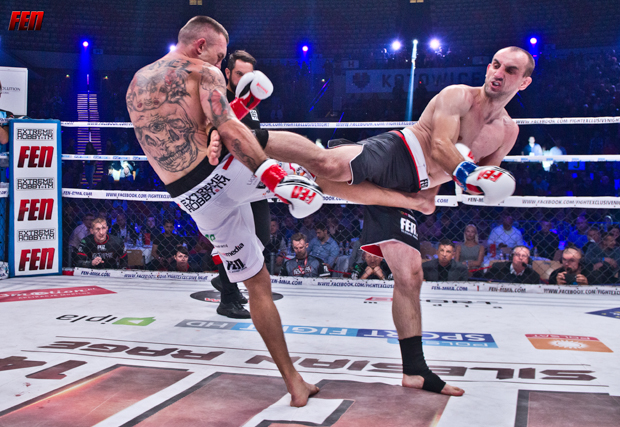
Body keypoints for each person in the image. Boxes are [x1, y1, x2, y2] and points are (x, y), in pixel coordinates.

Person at [128, 16, 421, 407]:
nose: (220, 64)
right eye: (219, 55)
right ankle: (409, 195)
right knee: (321, 168)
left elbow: (189, 131)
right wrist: (271, 174)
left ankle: (294, 382)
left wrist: (243, 106)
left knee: (257, 284)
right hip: (224, 173)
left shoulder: (136, 83)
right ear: (201, 45)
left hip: (191, 197)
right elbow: (228, 128)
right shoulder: (203, 71)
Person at [235, 46, 534, 396]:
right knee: (330, 166)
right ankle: (241, 136)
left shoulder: (508, 132)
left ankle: (415, 371)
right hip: (400, 152)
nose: (498, 73)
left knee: (410, 274)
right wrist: (467, 172)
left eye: (510, 70)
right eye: (496, 64)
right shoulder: (458, 96)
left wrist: (484, 184)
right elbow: (440, 145)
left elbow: (482, 179)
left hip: (416, 187)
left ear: (524, 83)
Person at [209, 49, 272, 320]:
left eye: (249, 75)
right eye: (239, 74)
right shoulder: (219, 100)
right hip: (230, 181)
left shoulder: (251, 102)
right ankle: (228, 298)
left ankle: (225, 279)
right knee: (235, 240)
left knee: (262, 237)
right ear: (227, 73)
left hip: (252, 178)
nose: (245, 80)